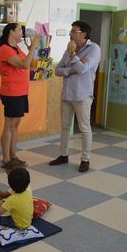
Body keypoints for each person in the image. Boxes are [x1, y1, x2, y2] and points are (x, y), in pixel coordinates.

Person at [50, 20, 101, 172]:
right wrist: (71, 68)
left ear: (83, 34)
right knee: (65, 127)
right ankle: (63, 155)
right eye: (71, 31)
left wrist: (72, 55)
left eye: (74, 31)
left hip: (83, 94)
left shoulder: (94, 49)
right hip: (67, 93)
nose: (70, 34)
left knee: (85, 128)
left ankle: (85, 159)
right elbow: (58, 70)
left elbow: (84, 68)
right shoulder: (69, 49)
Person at [0, 22, 41, 170]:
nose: (22, 32)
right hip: (11, 92)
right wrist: (33, 46)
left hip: (21, 92)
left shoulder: (17, 48)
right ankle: (6, 159)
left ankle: (13, 156)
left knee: (15, 126)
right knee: (9, 125)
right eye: (19, 30)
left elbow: (29, 63)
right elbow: (24, 65)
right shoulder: (5, 49)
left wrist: (30, 49)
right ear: (10, 32)